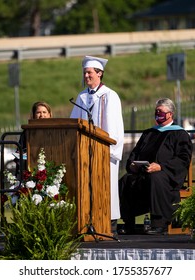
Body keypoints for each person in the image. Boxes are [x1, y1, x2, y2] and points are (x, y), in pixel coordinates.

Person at [119, 98, 192, 235]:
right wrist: (133, 165)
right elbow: (134, 154)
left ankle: (160, 223)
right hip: (143, 173)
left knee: (155, 178)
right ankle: (128, 223)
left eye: (161, 111)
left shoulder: (179, 134)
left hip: (166, 175)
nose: (157, 113)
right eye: (156, 111)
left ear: (170, 114)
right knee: (125, 180)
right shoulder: (149, 133)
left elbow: (183, 159)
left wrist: (161, 166)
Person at [70, 55, 124, 236]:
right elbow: (73, 123)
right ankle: (88, 221)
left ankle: (110, 223)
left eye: (89, 73)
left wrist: (111, 149)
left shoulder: (110, 96)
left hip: (104, 151)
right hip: (85, 152)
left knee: (106, 187)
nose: (86, 76)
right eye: (84, 73)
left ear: (100, 74)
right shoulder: (81, 96)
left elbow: (115, 127)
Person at [15, 101, 53, 175]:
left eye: (44, 112)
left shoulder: (57, 131)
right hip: (32, 169)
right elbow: (20, 151)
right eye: (38, 112)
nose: (42, 115)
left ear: (49, 114)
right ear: (34, 115)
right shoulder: (27, 132)